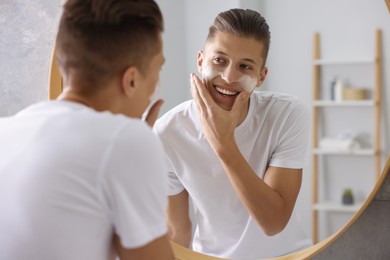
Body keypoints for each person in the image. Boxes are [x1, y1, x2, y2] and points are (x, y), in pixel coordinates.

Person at [0, 0, 174, 259]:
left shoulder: (6, 132)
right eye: (158, 68)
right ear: (132, 80)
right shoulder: (127, 143)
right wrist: (132, 146)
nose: (157, 83)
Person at [154, 8, 312, 259]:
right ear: (200, 61)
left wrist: (223, 144)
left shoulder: (287, 115)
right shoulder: (168, 132)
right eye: (219, 60)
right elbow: (176, 231)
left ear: (261, 77)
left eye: (245, 66)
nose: (229, 77)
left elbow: (273, 222)